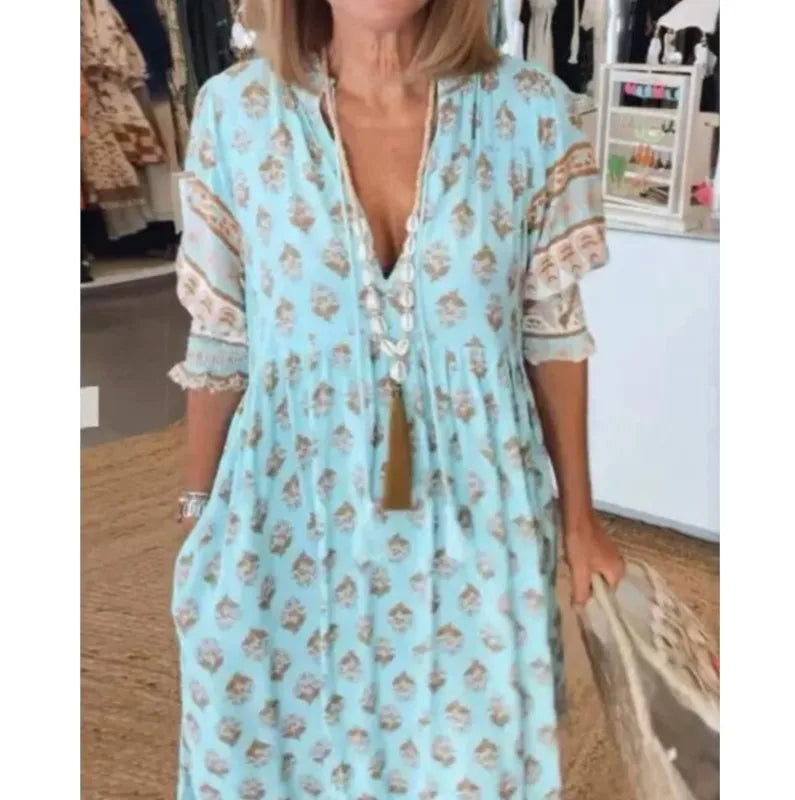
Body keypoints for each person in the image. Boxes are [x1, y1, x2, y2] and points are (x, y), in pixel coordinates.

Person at [169, 1, 624, 797]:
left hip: (478, 509)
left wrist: (580, 522)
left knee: (480, 756)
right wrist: (198, 514)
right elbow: (220, 338)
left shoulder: (532, 114)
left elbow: (552, 334)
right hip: (286, 511)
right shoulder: (235, 115)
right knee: (278, 756)